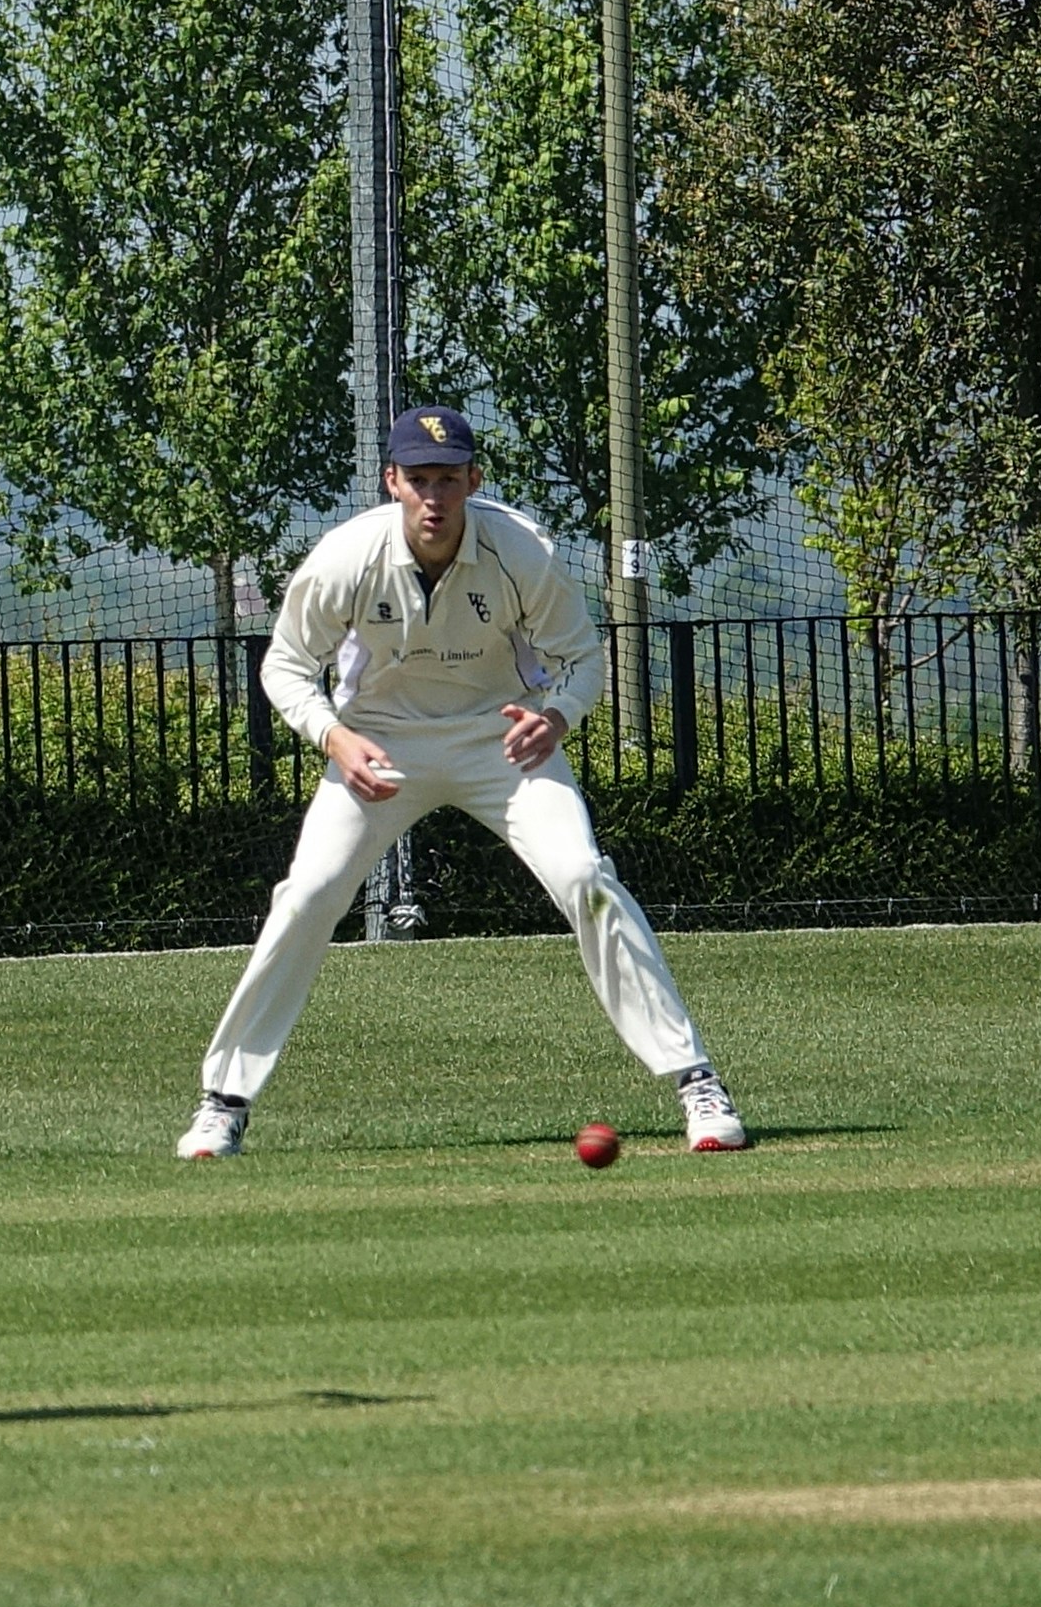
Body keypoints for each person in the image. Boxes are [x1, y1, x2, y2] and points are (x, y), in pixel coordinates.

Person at [177, 402, 745, 1159]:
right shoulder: (346, 558)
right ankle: (223, 1102)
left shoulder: (521, 552)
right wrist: (335, 737)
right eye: (419, 480)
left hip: (500, 745)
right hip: (377, 748)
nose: (435, 498)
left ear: (475, 480)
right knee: (307, 895)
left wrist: (559, 718)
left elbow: (583, 659)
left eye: (449, 479)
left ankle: (696, 1082)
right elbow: (283, 667)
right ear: (393, 483)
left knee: (586, 876)